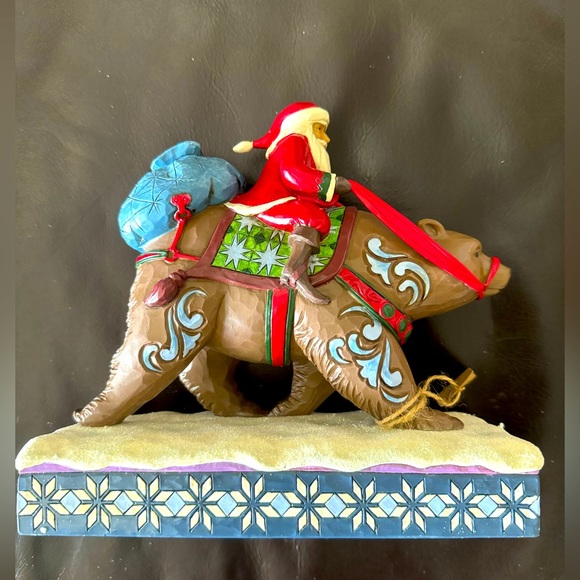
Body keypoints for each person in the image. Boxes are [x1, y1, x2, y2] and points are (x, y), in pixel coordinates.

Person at [226, 102, 351, 304]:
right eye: (319, 130)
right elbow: (292, 174)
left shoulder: (304, 146)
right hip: (272, 202)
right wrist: (331, 183)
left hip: (288, 199)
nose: (326, 139)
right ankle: (295, 270)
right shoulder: (295, 141)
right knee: (314, 218)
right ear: (304, 125)